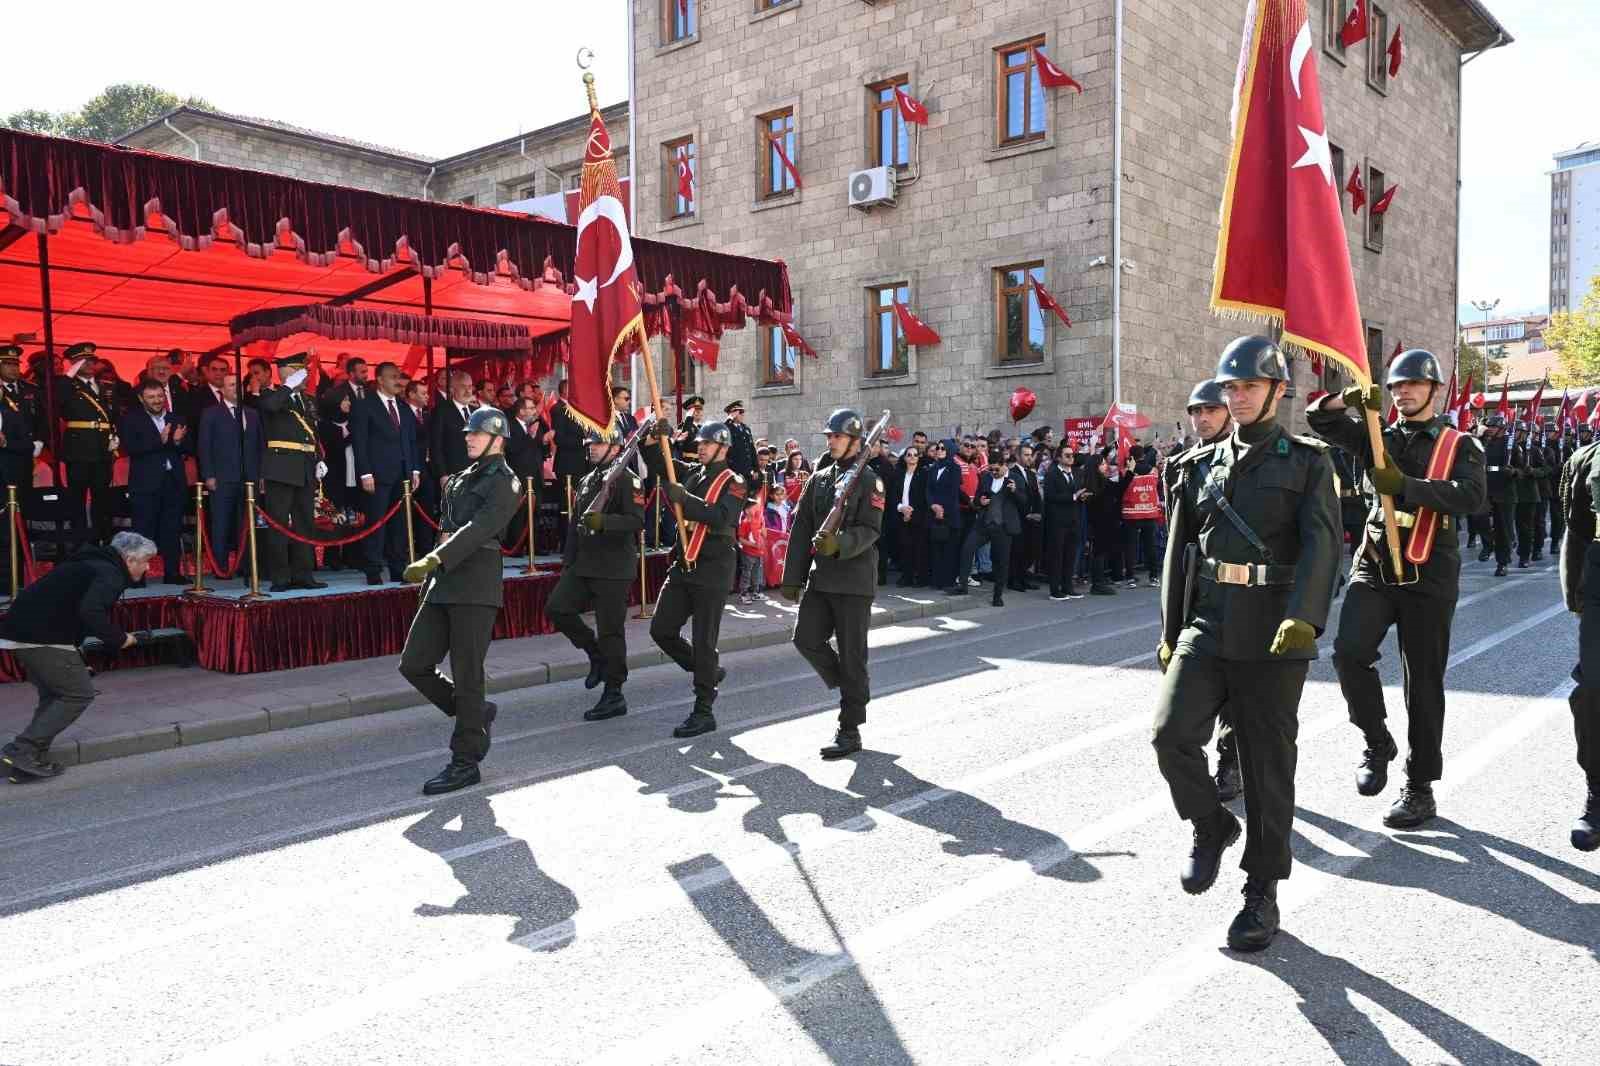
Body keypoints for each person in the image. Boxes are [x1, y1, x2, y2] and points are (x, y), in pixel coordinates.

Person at [1151, 336, 1340, 953]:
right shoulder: (1197, 464)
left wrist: (1306, 617)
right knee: (1170, 734)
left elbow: (1322, 546)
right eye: (1229, 388)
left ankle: (1262, 890)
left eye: (1248, 387)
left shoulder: (1308, 462)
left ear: (1277, 392)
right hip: (1208, 622)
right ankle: (1210, 822)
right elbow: (1180, 555)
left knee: (1266, 766)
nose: (1235, 399)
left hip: (1273, 629)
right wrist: (1168, 632)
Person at [1309, 349, 1486, 829]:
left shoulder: (1459, 444)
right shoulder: (1376, 435)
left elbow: (1472, 496)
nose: (1402, 392)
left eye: (1412, 384)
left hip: (1429, 570)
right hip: (1377, 563)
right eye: (1395, 386)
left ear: (1434, 389)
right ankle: (1376, 740)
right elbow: (1320, 422)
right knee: (1348, 652)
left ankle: (1420, 785)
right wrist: (1343, 399)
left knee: (1422, 684)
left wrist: (1407, 485)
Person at [399, 407, 522, 795]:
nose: (467, 437)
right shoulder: (465, 475)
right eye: (468, 432)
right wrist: (436, 567)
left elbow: (481, 527)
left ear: (497, 440)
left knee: (468, 673)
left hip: (475, 583)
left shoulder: (506, 481)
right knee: (414, 663)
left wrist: (436, 558)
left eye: (476, 433)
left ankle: (466, 760)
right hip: (445, 581)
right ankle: (476, 713)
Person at [0, 532, 159, 781]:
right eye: (146, 560)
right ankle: (23, 749)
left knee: (54, 695)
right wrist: (120, 639)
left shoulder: (90, 562)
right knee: (78, 693)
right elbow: (91, 611)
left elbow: (70, 605)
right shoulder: (110, 574)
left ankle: (28, 760)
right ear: (129, 559)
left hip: (20, 629)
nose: (148, 567)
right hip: (41, 635)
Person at [781, 409, 884, 759]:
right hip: (821, 579)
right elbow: (800, 531)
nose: (831, 441)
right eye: (828, 437)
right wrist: (791, 578)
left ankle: (850, 728)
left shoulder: (870, 480)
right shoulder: (821, 478)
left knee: (853, 655)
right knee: (805, 638)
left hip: (854, 582)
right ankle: (854, 685)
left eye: (837, 436)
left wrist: (840, 544)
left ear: (855, 441)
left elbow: (871, 529)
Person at [643, 417, 745, 738]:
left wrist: (683, 499)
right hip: (685, 564)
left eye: (707, 443)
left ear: (723, 448)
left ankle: (704, 709)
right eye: (699, 443)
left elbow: (720, 516)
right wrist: (653, 437)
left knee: (704, 640)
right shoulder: (692, 472)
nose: (700, 447)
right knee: (661, 629)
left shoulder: (735, 481)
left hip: (713, 568)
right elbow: (659, 461)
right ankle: (708, 671)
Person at [1171, 378, 1243, 800]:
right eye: (1196, 412)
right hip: (1194, 588)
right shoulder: (1179, 465)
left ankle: (1231, 762)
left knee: (1234, 685)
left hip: (1235, 590)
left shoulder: (1241, 460)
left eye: (1210, 410)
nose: (1202, 419)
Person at [547, 429, 645, 722]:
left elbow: (637, 521)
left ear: (615, 449)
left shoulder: (629, 480)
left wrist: (604, 522)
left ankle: (614, 693)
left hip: (613, 568)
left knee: (611, 631)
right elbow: (575, 526)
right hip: (584, 564)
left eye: (598, 443)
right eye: (589, 443)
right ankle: (595, 653)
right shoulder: (588, 479)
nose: (591, 448)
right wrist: (568, 563)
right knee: (557, 609)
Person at [1557, 436, 1600, 851]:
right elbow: (1578, 528)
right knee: (1591, 691)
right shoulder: (1587, 458)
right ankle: (1597, 792)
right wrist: (1575, 592)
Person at [257, 353, 328, 592]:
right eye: (298, 370)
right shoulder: (272, 394)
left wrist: (318, 458)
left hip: (305, 467)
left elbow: (312, 431)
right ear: (285, 372)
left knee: (304, 523)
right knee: (278, 524)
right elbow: (270, 406)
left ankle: (304, 573)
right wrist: (287, 386)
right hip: (281, 467)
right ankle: (280, 577)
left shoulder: (307, 400)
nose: (304, 376)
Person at [350, 361, 422, 586]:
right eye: (393, 377)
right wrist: (365, 474)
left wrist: (415, 469)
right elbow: (359, 442)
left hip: (402, 474)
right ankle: (372, 569)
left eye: (399, 377)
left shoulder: (402, 406)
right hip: (377, 474)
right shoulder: (365, 405)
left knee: (400, 525)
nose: (398, 381)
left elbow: (411, 441)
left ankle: (398, 568)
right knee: (376, 523)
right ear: (380, 379)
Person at [118, 379, 192, 585]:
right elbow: (130, 448)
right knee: (143, 530)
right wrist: (159, 441)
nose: (157, 400)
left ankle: (172, 573)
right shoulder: (131, 419)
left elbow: (188, 446)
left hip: (173, 481)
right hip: (145, 484)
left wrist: (177, 441)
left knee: (172, 528)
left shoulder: (176, 417)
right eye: (151, 397)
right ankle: (137, 576)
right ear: (142, 399)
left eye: (160, 396)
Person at [196, 372, 262, 581]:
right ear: (222, 390)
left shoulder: (252, 413)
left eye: (238, 385)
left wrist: (261, 475)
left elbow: (260, 446)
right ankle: (221, 567)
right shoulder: (211, 413)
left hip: (249, 477)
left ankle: (245, 566)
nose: (236, 388)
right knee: (221, 524)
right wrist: (208, 475)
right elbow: (204, 447)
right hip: (222, 477)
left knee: (246, 525)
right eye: (232, 385)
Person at [54, 342, 118, 548]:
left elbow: (114, 414)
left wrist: (115, 436)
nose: (90, 364)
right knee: (77, 500)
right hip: (79, 450)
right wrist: (68, 375)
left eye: (92, 360)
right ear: (73, 363)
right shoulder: (66, 385)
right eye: (84, 360)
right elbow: (56, 402)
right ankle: (80, 544)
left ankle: (103, 541)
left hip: (103, 450)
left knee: (102, 499)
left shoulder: (105, 386)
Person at [953, 450, 1026, 607]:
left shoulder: (1016, 479)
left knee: (1001, 561)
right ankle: (962, 585)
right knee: (967, 548)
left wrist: (1015, 492)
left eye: (996, 469)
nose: (993, 472)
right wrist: (981, 501)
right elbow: (979, 498)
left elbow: (1025, 502)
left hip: (1004, 526)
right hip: (985, 524)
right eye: (990, 469)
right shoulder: (986, 477)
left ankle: (997, 595)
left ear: (1004, 466)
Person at [0, 345, 39, 592]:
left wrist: (34, 444)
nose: (14, 368)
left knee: (16, 527)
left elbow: (35, 429)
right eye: (8, 364)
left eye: (16, 364)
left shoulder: (27, 392)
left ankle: (14, 581)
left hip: (17, 468)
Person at [1042, 443, 1087, 600]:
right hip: (1057, 521)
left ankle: (1068, 586)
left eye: (1072, 455)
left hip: (1074, 519)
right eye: (1067, 455)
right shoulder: (1052, 474)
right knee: (1057, 555)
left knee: (1070, 554)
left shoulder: (1076, 473)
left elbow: (1079, 491)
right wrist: (1073, 496)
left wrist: (1081, 496)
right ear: (1059, 458)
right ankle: (1055, 589)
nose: (1071, 458)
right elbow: (1050, 496)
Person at [1121, 448, 1163, 588]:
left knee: (1131, 546)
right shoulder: (1153, 471)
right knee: (1150, 546)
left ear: (1131, 456)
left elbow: (1123, 487)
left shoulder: (1128, 472)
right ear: (1143, 455)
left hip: (1131, 513)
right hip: (1149, 512)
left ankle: (1131, 577)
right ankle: (1153, 577)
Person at [1479, 416, 1514, 577]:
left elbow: (1518, 468)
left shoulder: (1510, 445)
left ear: (1501, 428)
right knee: (1478, 517)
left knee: (1503, 529)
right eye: (1489, 426)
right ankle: (1487, 545)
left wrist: (1512, 471)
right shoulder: (1483, 442)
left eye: (1493, 427)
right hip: (1485, 489)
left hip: (1504, 492)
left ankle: (1503, 562)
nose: (1490, 429)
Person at [926, 439, 962, 590]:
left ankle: (948, 580)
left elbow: (953, 492)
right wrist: (933, 505)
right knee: (936, 548)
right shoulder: (934, 468)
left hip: (949, 515)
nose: (939, 450)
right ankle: (937, 580)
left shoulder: (955, 468)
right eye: (938, 448)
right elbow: (928, 489)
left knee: (949, 549)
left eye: (943, 448)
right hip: (934, 513)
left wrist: (942, 509)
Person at [892, 444, 929, 587]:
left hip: (918, 516)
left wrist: (911, 512)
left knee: (920, 548)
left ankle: (921, 578)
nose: (912, 457)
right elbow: (895, 495)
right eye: (909, 454)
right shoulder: (899, 474)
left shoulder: (924, 474)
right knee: (905, 547)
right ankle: (906, 577)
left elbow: (924, 497)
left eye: (915, 454)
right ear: (905, 458)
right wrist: (901, 508)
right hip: (901, 515)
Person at [1510, 425, 1546, 568]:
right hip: (1509, 492)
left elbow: (1544, 469)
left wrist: (1533, 471)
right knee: (1508, 526)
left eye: (1520, 431)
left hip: (1528, 494)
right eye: (1516, 431)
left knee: (1526, 527)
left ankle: (1525, 555)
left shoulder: (1534, 450)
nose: (1517, 434)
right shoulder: (1509, 449)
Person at [723, 400, 758, 480]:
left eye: (743, 412)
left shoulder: (746, 429)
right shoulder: (727, 427)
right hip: (734, 470)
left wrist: (755, 469)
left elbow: (752, 449)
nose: (742, 414)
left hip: (748, 471)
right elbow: (723, 430)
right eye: (740, 412)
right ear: (731, 414)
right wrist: (729, 419)